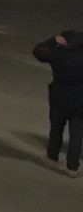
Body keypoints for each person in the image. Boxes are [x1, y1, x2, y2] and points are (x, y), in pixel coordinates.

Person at [32, 31, 83, 178]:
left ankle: (52, 158)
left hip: (59, 97)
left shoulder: (59, 55)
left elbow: (37, 51)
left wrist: (53, 40)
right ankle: (72, 167)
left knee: (56, 129)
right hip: (80, 99)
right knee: (77, 133)